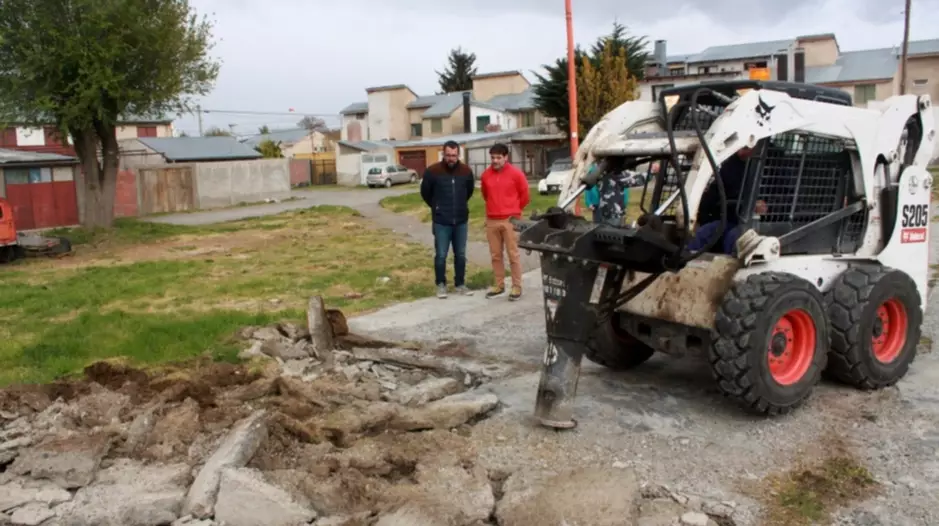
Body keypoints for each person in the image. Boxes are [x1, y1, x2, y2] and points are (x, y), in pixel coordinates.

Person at [420, 140, 476, 299]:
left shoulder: (466, 171)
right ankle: (441, 284)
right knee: (441, 255)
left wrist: (460, 206)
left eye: (454, 155)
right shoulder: (432, 171)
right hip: (441, 221)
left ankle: (460, 284)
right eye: (448, 155)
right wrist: (437, 206)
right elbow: (425, 193)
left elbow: (469, 192)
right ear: (443, 154)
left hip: (461, 221)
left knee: (460, 254)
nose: (451, 158)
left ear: (458, 155)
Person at [687, 146, 766, 254]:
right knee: (705, 232)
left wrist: (766, 206)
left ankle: (728, 266)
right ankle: (687, 261)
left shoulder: (772, 166)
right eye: (742, 146)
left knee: (734, 237)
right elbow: (716, 192)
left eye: (747, 147)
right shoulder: (730, 167)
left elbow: (784, 195)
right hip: (731, 218)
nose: (742, 150)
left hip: (760, 223)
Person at [480, 143, 530, 301]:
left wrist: (514, 210)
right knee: (495, 255)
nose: (495, 160)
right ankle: (499, 284)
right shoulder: (486, 175)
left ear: (506, 157)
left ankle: (516, 286)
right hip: (492, 220)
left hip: (511, 220)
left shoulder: (517, 174)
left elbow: (525, 196)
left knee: (513, 254)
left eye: (498, 157)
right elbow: (485, 195)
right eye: (493, 157)